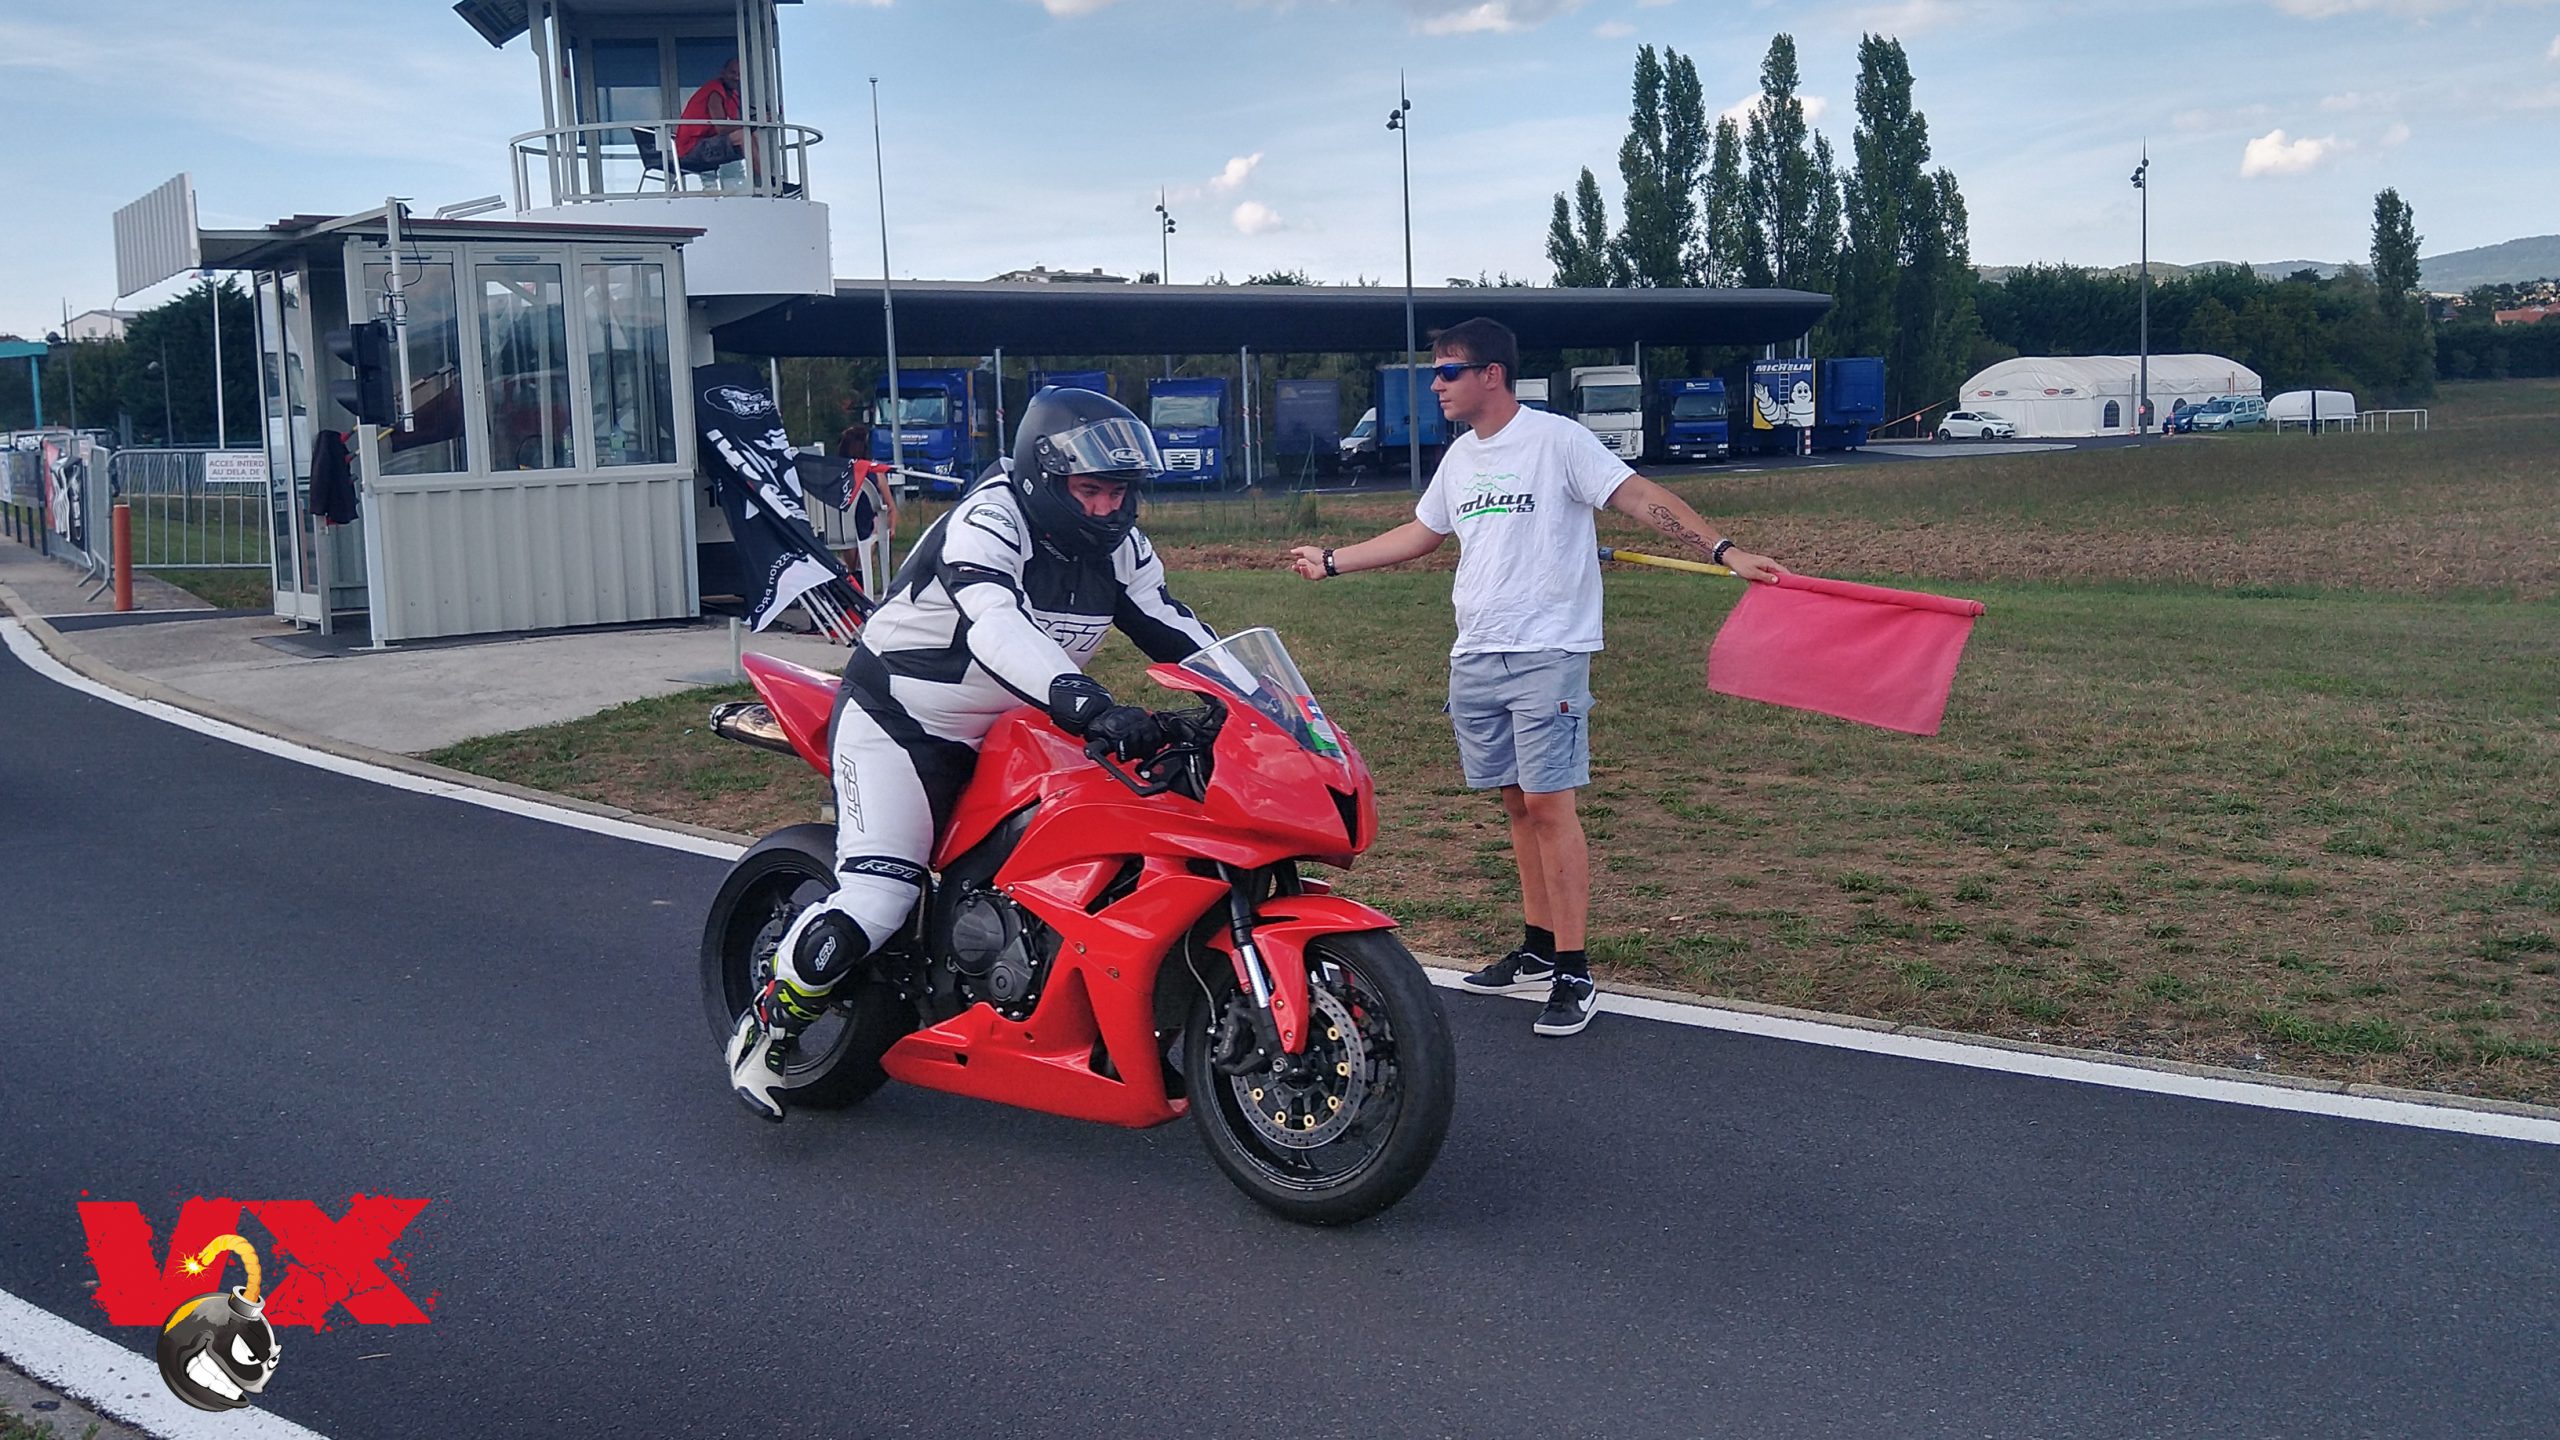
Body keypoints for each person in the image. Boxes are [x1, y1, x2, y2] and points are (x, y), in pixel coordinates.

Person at [1287, 318, 1787, 1037]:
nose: (1436, 386)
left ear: (1491, 374)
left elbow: (1639, 496)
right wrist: (1333, 560)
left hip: (1547, 650)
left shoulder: (1558, 441)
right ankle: (1539, 946)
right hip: (1476, 653)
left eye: (1448, 372)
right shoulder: (1460, 457)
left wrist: (1723, 550)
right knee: (1518, 804)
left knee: (1551, 805)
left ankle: (1575, 971)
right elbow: (1423, 533)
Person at [728, 388, 1218, 1120]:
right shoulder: (990, 518)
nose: (1107, 509)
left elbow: (1171, 623)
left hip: (1024, 728)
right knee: (880, 895)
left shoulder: (1121, 547)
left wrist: (1254, 699)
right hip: (905, 722)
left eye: (1120, 492)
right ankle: (769, 1025)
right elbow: (995, 623)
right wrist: (1087, 701)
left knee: (1118, 850)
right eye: (1090, 490)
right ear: (1042, 479)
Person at [674, 58, 747, 174]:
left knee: (753, 134)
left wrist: (753, 122)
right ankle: (764, 178)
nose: (737, 77)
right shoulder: (714, 91)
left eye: (740, 74)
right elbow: (721, 128)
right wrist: (752, 122)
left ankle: (768, 177)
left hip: (707, 143)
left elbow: (736, 124)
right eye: (732, 72)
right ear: (723, 73)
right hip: (690, 149)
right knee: (744, 135)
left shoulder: (733, 96)